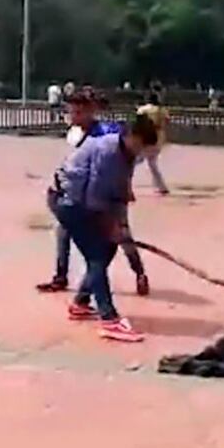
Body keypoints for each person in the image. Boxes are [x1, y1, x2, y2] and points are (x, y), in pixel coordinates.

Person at [48, 115, 161, 342]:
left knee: (108, 249)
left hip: (87, 203)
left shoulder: (127, 154)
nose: (141, 151)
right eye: (140, 144)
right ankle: (109, 319)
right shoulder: (109, 151)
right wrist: (110, 225)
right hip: (69, 201)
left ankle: (81, 302)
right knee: (96, 256)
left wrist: (119, 225)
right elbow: (95, 196)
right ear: (129, 136)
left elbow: (119, 191)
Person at [38, 91, 149, 296]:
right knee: (63, 231)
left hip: (110, 193)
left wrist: (124, 187)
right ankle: (61, 277)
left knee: (122, 236)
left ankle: (139, 273)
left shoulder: (106, 133)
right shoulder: (77, 134)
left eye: (78, 112)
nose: (73, 117)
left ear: (91, 111)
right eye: (71, 112)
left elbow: (127, 158)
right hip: (84, 194)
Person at [136, 92, 171, 194]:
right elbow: (167, 122)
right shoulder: (162, 110)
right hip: (159, 139)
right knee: (152, 163)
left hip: (146, 138)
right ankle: (161, 187)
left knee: (133, 160)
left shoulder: (142, 110)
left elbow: (138, 123)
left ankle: (122, 182)